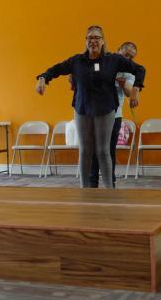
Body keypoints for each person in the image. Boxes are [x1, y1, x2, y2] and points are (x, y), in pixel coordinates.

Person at [35, 25, 145, 188]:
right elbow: (56, 69)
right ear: (85, 41)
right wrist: (43, 78)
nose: (93, 41)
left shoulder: (113, 59)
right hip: (82, 109)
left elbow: (140, 69)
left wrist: (135, 90)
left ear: (103, 41)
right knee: (85, 151)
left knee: (102, 151)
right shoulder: (77, 60)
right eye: (90, 38)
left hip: (106, 109)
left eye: (96, 38)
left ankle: (109, 188)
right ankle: (85, 189)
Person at [89, 41, 141, 188]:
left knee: (109, 149)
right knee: (94, 149)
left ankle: (110, 181)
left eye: (131, 57)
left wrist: (121, 81)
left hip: (115, 115)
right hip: (95, 112)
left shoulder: (130, 71)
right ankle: (92, 182)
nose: (128, 60)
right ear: (118, 51)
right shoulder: (104, 61)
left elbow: (129, 92)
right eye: (125, 55)